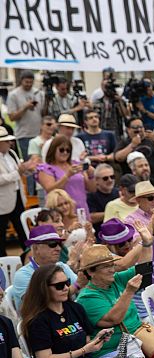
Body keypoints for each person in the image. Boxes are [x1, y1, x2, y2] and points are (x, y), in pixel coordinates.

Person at [20, 264, 134, 358]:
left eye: (67, 282)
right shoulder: (38, 320)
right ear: (44, 289)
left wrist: (96, 340)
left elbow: (85, 344)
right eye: (59, 286)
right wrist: (83, 350)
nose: (66, 288)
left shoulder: (75, 308)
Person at [10, 224, 80, 310]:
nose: (58, 248)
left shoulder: (62, 266)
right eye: (52, 244)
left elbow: (83, 289)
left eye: (59, 244)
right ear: (36, 249)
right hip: (39, 321)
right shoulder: (23, 275)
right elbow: (39, 303)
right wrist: (77, 285)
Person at [36, 134, 96, 214]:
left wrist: (91, 175)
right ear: (53, 150)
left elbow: (92, 189)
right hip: (61, 211)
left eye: (68, 150)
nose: (65, 152)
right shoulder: (46, 168)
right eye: (61, 150)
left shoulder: (76, 164)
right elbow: (51, 190)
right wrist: (67, 175)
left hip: (81, 209)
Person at [0, 128, 30, 256]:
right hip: (2, 201)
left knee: (23, 230)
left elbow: (20, 172)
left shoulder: (12, 153)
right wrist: (17, 173)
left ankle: (29, 256)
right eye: (6, 141)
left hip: (18, 196)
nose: (9, 143)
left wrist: (29, 168)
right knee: (1, 235)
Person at [5, 70, 43, 155]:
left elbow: (43, 112)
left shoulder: (38, 93)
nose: (29, 84)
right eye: (26, 82)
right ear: (21, 80)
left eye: (31, 82)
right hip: (24, 135)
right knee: (30, 162)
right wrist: (25, 107)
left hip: (39, 133)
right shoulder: (14, 95)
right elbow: (11, 117)